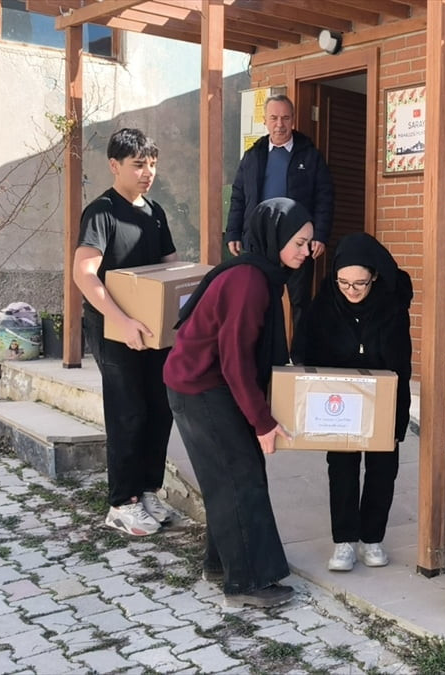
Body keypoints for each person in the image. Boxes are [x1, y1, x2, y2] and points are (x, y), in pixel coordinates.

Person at [163, 198, 313, 608]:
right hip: (201, 386)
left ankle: (223, 562)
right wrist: (262, 422)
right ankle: (247, 582)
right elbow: (235, 362)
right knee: (239, 475)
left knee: (229, 475)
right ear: (276, 238)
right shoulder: (249, 281)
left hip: (205, 381)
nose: (306, 251)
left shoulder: (261, 273)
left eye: (309, 243)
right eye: (299, 243)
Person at [73, 128, 177, 537]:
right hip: (114, 328)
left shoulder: (154, 211)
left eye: (151, 164)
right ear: (115, 165)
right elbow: (84, 274)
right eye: (138, 165)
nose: (147, 172)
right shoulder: (102, 212)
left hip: (153, 330)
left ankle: (148, 490)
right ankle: (122, 502)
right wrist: (121, 321)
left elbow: (171, 267)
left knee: (159, 408)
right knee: (128, 411)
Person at [293, 233, 412, 573]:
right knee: (342, 469)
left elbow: (402, 365)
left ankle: (372, 537)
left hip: (382, 400)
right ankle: (344, 540)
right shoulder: (324, 305)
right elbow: (308, 358)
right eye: (344, 282)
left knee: (382, 470)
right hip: (339, 402)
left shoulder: (392, 307)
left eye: (360, 283)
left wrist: (398, 421)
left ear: (374, 276)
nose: (352, 290)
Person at [225, 94, 333, 329]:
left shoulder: (310, 155)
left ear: (293, 120)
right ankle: (264, 355)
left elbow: (324, 197)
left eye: (285, 118)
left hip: (299, 242)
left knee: (300, 302)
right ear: (265, 120)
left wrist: (320, 235)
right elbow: (239, 196)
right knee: (258, 298)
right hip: (261, 242)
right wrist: (233, 232)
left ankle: (301, 359)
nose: (279, 124)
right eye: (273, 118)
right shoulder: (253, 156)